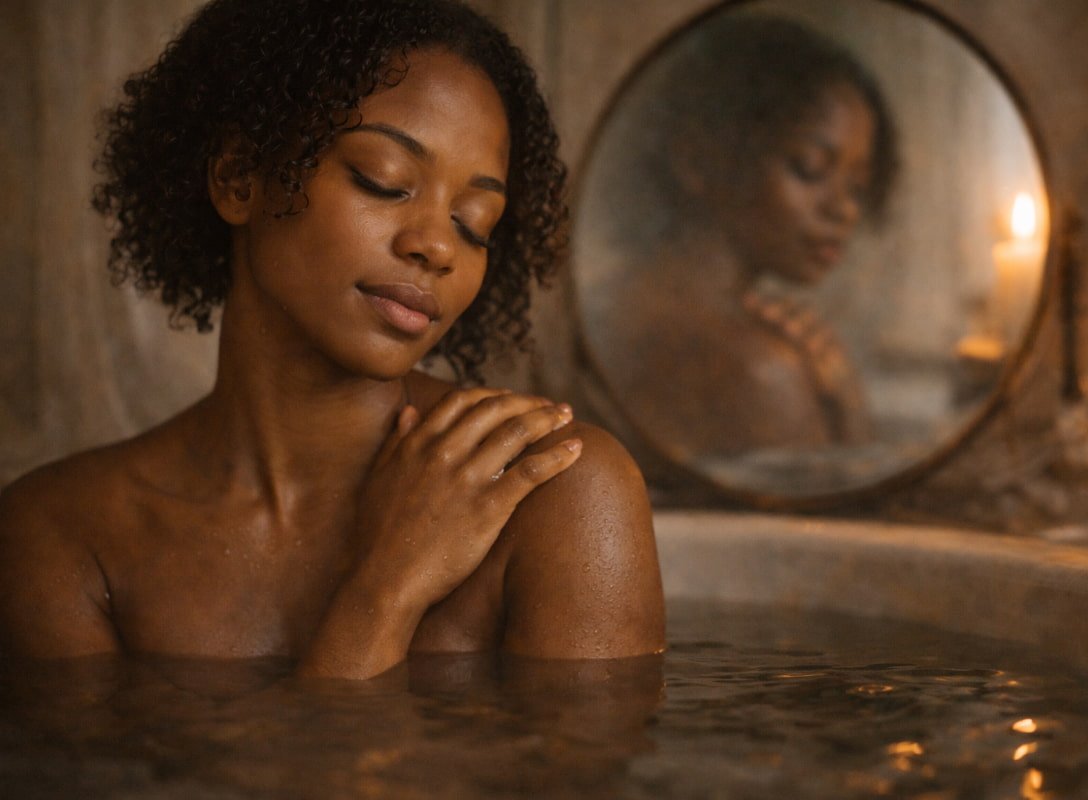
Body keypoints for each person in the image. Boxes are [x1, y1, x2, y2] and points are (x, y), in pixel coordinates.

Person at [0, 0, 664, 679]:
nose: (436, 246)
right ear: (238, 178)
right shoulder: (60, 537)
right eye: (384, 181)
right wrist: (386, 590)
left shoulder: (558, 495)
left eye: (474, 223)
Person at [578, 11, 898, 463]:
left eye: (857, 187)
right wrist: (848, 408)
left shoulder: (613, 304)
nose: (843, 209)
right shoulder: (761, 371)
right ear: (699, 159)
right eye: (809, 167)